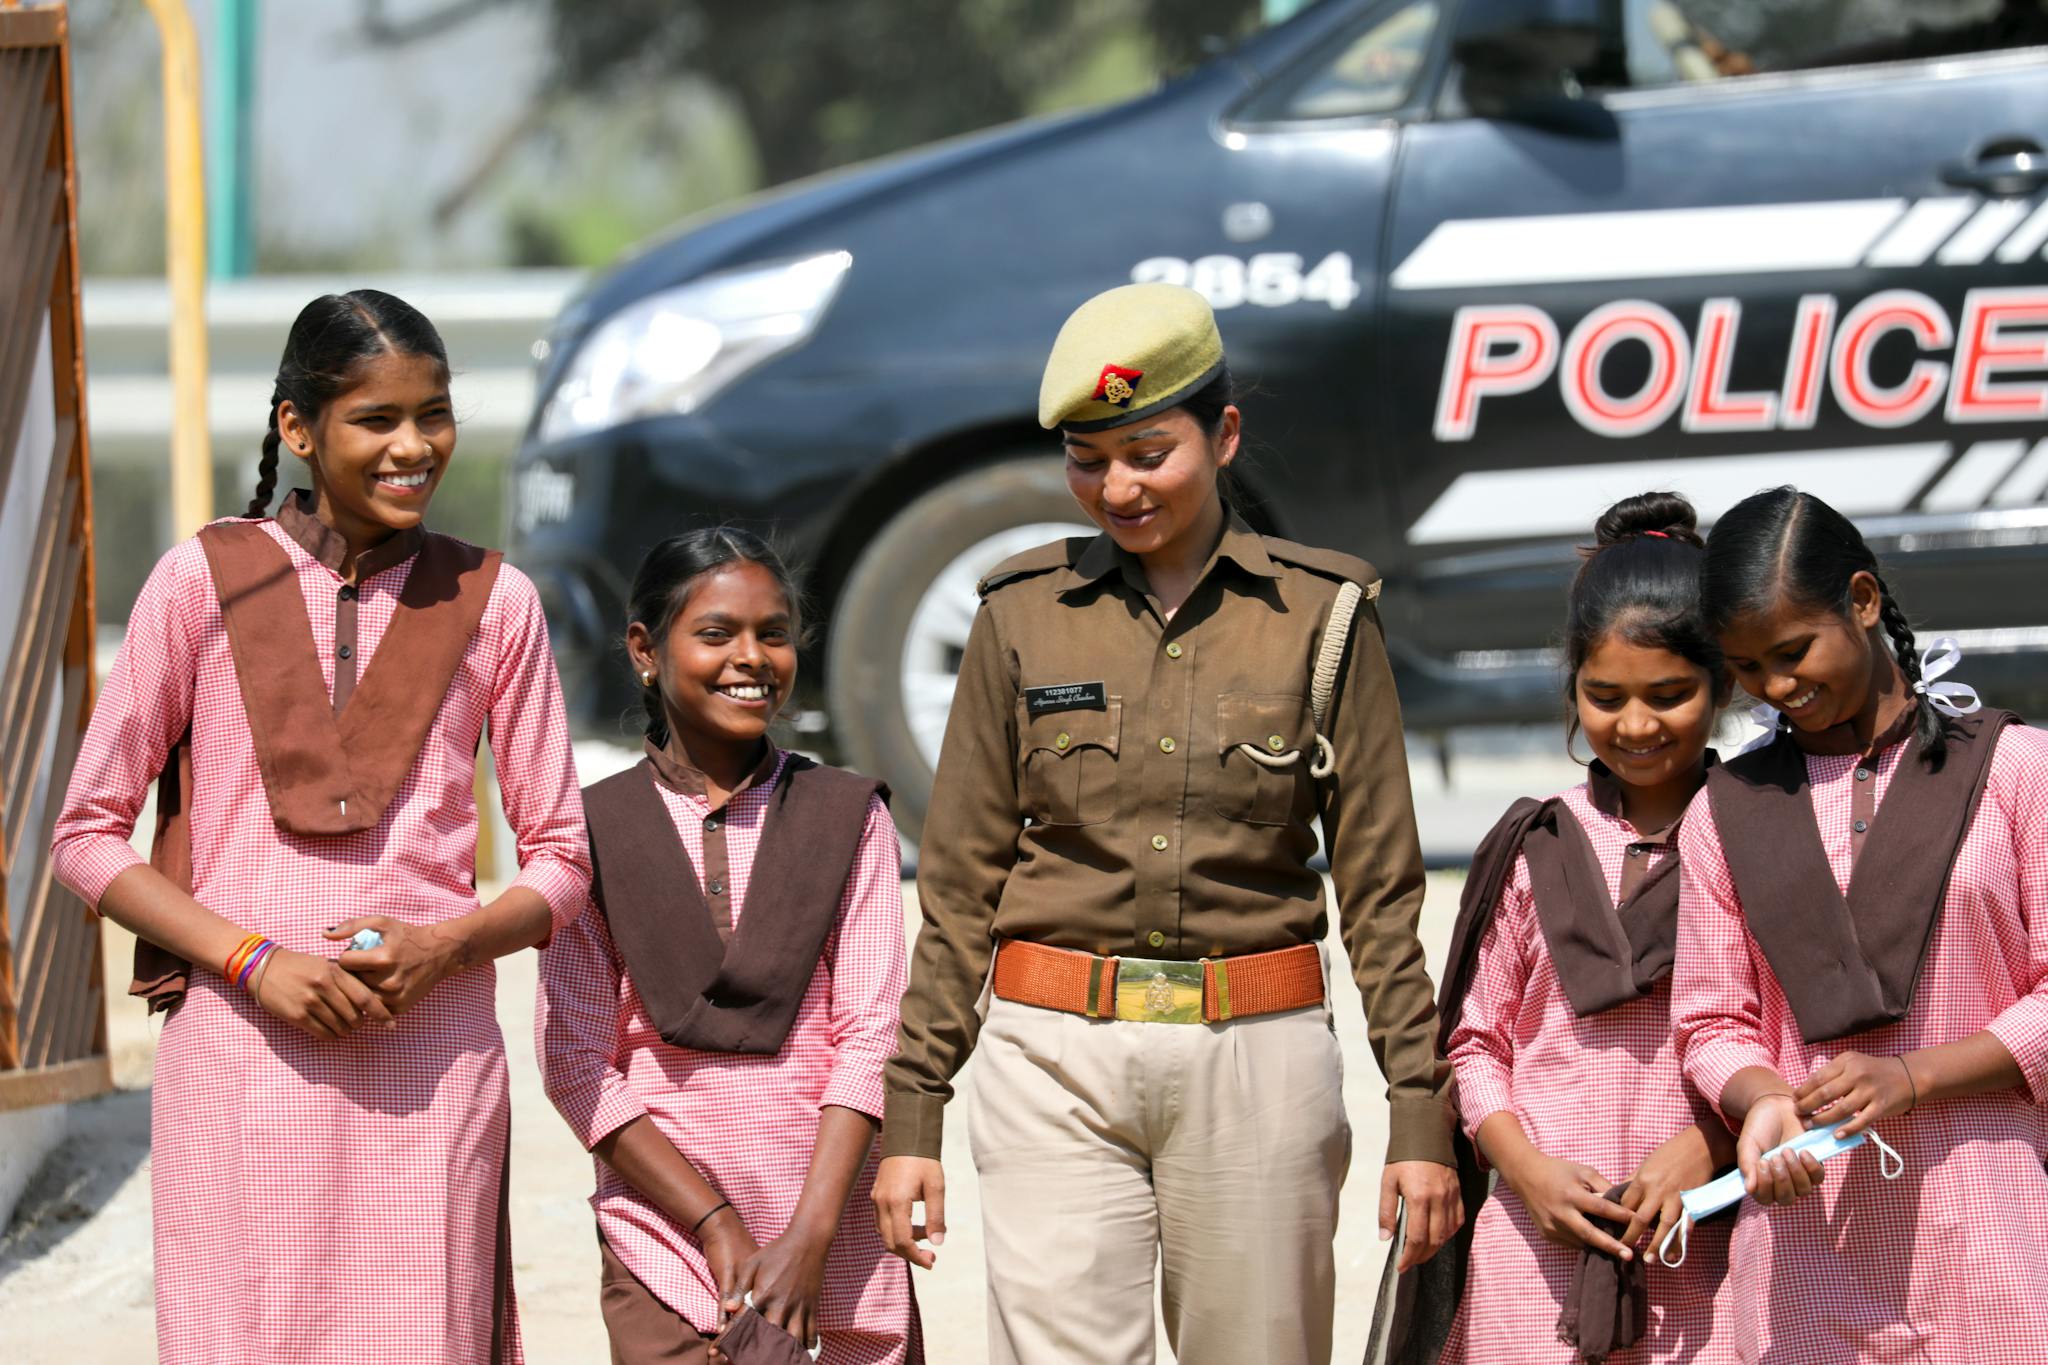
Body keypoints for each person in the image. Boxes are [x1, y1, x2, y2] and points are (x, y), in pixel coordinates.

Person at [872, 282, 1461, 1365]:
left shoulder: (1323, 619)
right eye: (1088, 461)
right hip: (1050, 1062)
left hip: (1257, 1062)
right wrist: (913, 1113)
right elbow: (956, 889)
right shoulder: (1015, 617)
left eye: (1148, 452)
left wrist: (1419, 1116)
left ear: (1222, 433)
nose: (1118, 486)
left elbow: (1381, 896)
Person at [49, 289, 591, 1362]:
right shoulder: (199, 584)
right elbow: (85, 835)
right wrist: (254, 961)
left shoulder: (497, 601)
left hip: (431, 1059)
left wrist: (448, 944)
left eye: (432, 415)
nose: (413, 446)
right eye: (375, 420)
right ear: (297, 428)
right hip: (240, 1056)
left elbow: (563, 856)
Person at [1671, 485, 2048, 1363]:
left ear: (1865, 601)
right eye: (1749, 668)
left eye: (1794, 650)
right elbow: (1709, 1021)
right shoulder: (1726, 811)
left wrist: (1913, 1076)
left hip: (1997, 1227)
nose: (1777, 687)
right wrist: (1763, 1103)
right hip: (1808, 1244)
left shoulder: (2017, 773)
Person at [537, 529, 920, 1365]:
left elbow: (871, 1035)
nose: (751, 657)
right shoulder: (590, 831)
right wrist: (715, 1225)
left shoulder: (848, 816)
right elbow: (575, 1062)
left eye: (773, 633)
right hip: (664, 1241)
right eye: (716, 633)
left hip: (835, 1240)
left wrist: (807, 1241)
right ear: (646, 648)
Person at [1421, 494, 1732, 1365]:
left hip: (1705, 1238)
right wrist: (1527, 1173)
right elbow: (1476, 1043)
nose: (1636, 725)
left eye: (1670, 695)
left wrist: (1708, 1146)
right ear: (1572, 689)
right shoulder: (1539, 841)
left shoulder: (1760, 839)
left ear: (1725, 683)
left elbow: (1788, 1040)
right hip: (1536, 1243)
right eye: (1606, 696)